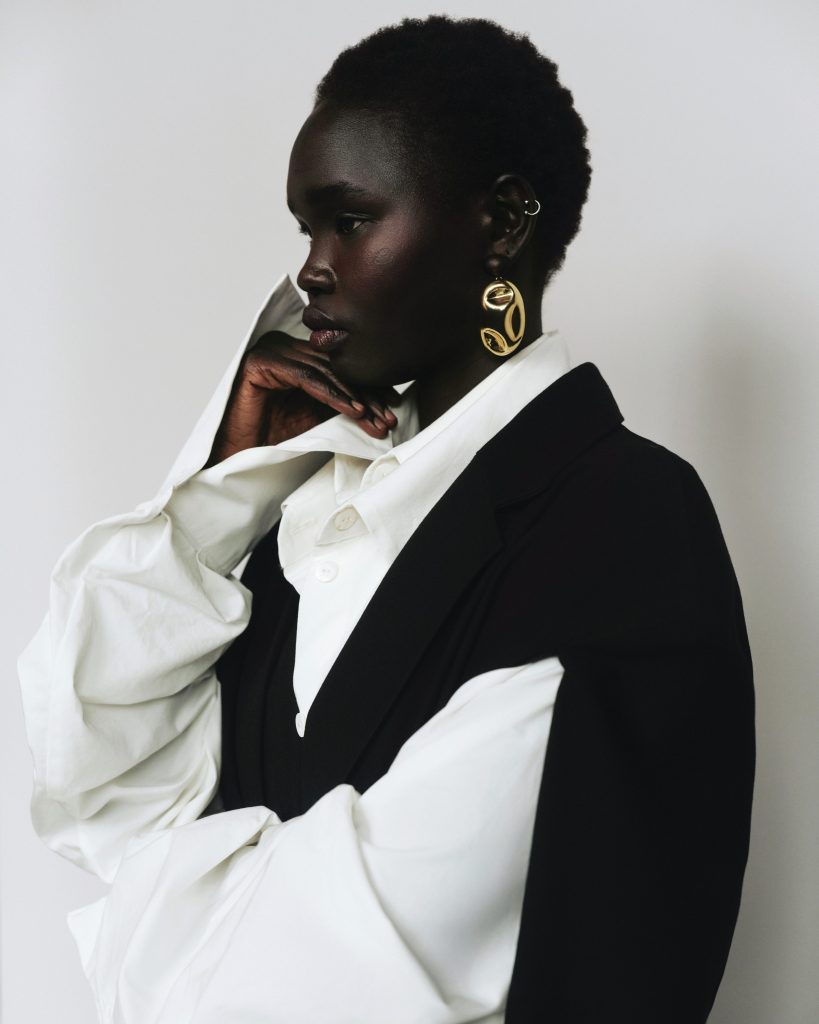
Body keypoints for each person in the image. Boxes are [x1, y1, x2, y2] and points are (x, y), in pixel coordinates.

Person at [18, 14, 755, 1024]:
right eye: (304, 230)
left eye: (350, 220)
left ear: (502, 223)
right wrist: (224, 487)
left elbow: (325, 984)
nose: (310, 271)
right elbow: (93, 790)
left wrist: (155, 908)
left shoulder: (620, 521)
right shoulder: (305, 510)